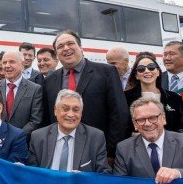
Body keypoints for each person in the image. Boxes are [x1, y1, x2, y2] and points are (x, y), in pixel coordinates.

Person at [42, 30, 129, 158]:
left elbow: (119, 114)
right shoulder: (49, 80)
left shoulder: (107, 72)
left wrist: (110, 152)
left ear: (80, 47)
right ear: (57, 54)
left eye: (70, 43)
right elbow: (47, 118)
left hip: (97, 151)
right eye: (60, 46)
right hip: (59, 151)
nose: (66, 48)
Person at [27, 89, 109, 172]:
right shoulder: (38, 137)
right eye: (65, 109)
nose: (70, 114)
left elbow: (104, 174)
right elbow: (31, 173)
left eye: (76, 110)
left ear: (81, 113)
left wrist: (84, 178)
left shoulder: (95, 138)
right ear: (55, 110)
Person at [123, 52, 183, 132]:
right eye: (141, 69)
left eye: (151, 67)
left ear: (158, 72)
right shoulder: (125, 98)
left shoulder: (175, 98)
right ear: (136, 75)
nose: (147, 71)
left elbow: (182, 128)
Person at [0, 50, 42, 135]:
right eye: (4, 62)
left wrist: (17, 137)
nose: (7, 65)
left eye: (12, 62)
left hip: (22, 142)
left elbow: (35, 120)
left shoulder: (35, 89)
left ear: (22, 64)